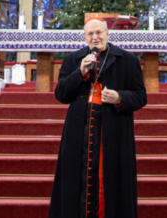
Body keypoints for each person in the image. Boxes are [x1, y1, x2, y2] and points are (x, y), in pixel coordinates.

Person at [49, 18, 147, 218]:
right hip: (79, 132)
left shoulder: (128, 60)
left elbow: (141, 96)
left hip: (114, 130)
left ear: (107, 33)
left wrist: (119, 97)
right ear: (85, 37)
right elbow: (61, 95)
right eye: (90, 34)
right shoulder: (73, 60)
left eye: (99, 33)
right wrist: (80, 72)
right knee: (77, 181)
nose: (95, 38)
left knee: (111, 180)